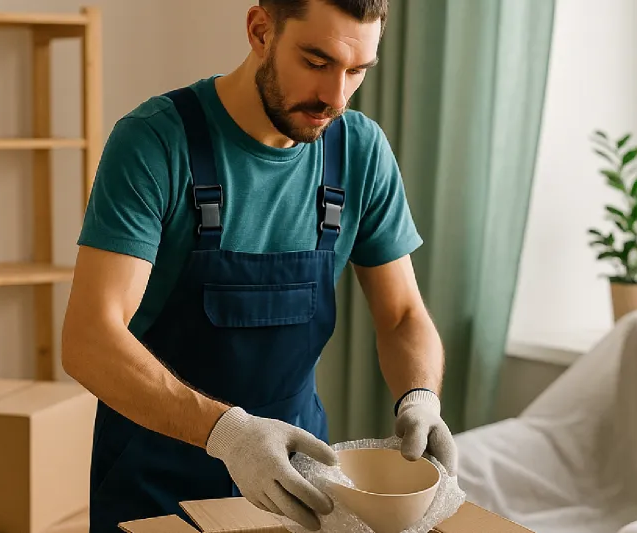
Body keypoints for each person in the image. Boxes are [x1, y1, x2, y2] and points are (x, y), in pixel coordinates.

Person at [61, 1, 457, 532]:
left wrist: (420, 397)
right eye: (317, 62)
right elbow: (89, 339)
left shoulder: (359, 150)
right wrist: (229, 434)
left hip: (298, 490)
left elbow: (403, 313)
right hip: (154, 483)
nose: (335, 97)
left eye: (357, 71)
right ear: (260, 30)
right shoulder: (155, 142)